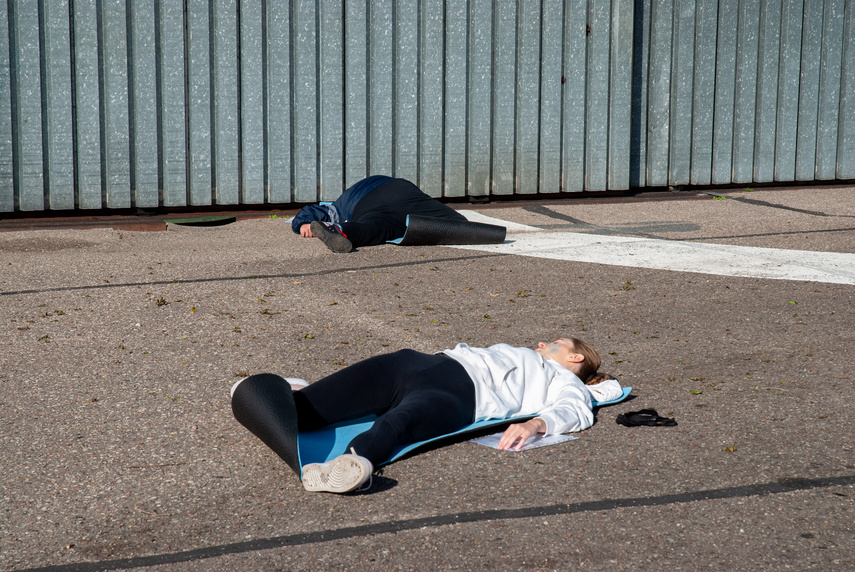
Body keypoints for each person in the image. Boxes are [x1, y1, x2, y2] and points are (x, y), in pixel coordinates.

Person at [281, 338, 623, 494]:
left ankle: (351, 465)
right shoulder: (531, 356)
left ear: (576, 358)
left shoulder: (565, 381)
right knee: (314, 407)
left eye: (554, 344)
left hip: (462, 393)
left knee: (398, 424)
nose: (542, 344)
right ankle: (296, 396)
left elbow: (576, 410)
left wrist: (535, 424)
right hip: (420, 363)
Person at [291, 175, 467, 252]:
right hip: (402, 189)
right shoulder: (349, 196)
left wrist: (302, 224)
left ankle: (337, 229)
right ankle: (465, 226)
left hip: (369, 201)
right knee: (458, 224)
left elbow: (313, 210)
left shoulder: (338, 205)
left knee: (376, 228)